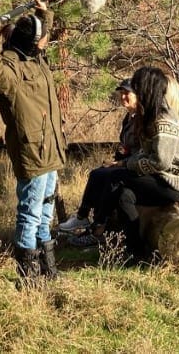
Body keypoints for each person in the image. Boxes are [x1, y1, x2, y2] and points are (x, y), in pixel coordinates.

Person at [0, 0, 67, 286]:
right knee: (29, 214)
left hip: (51, 149)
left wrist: (43, 13)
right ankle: (28, 278)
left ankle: (47, 269)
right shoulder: (11, 67)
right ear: (28, 42)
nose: (43, 44)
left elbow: (41, 37)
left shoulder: (35, 60)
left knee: (45, 210)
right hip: (33, 151)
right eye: (39, 39)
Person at [115, 66, 179, 262]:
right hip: (162, 179)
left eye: (137, 87)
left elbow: (161, 161)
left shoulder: (163, 119)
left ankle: (96, 226)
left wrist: (128, 165)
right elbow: (147, 154)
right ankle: (135, 253)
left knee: (118, 179)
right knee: (124, 196)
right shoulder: (151, 116)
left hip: (175, 184)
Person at [57, 79, 140, 245]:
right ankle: (86, 220)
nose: (123, 97)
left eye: (127, 93)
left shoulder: (142, 119)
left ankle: (96, 228)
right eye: (121, 93)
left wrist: (120, 164)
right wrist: (115, 160)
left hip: (136, 167)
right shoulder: (128, 118)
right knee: (98, 173)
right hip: (126, 163)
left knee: (106, 177)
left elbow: (140, 151)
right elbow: (125, 147)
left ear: (137, 96)